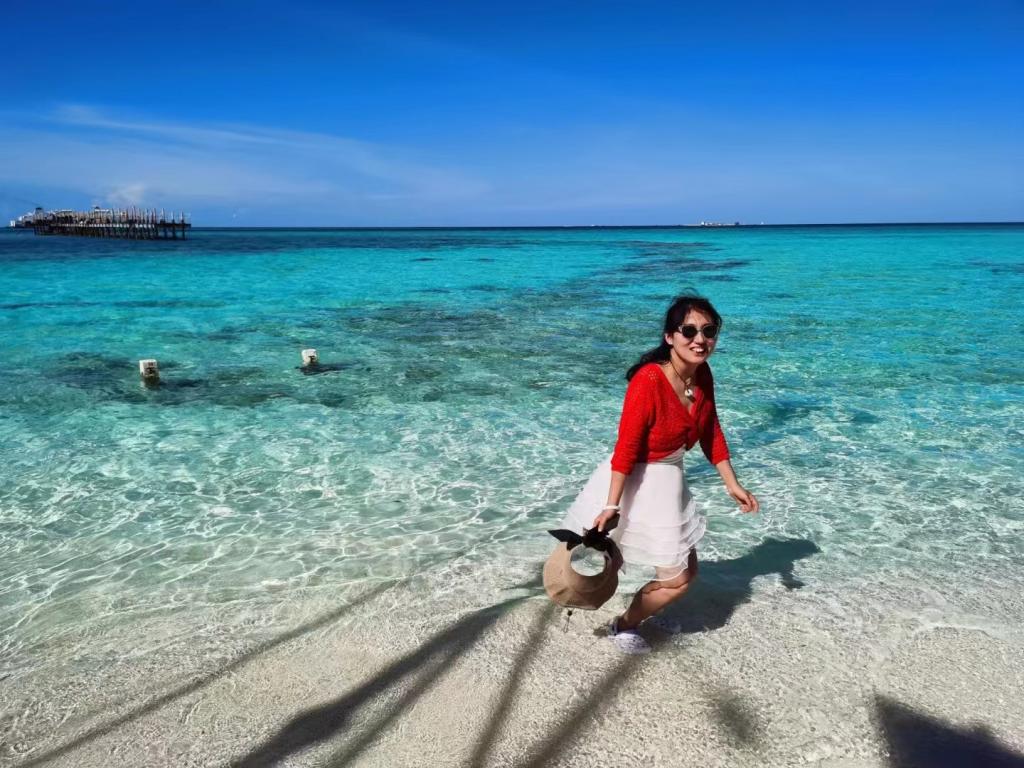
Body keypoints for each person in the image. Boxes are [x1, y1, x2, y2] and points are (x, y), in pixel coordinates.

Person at [558, 294, 759, 654]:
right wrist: (611, 505)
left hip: (668, 482)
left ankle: (634, 615)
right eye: (689, 331)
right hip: (638, 482)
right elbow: (626, 447)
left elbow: (711, 430)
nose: (700, 339)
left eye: (709, 331)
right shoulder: (649, 379)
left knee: (681, 573)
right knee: (679, 577)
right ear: (670, 337)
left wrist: (732, 484)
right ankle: (623, 625)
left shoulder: (702, 374)